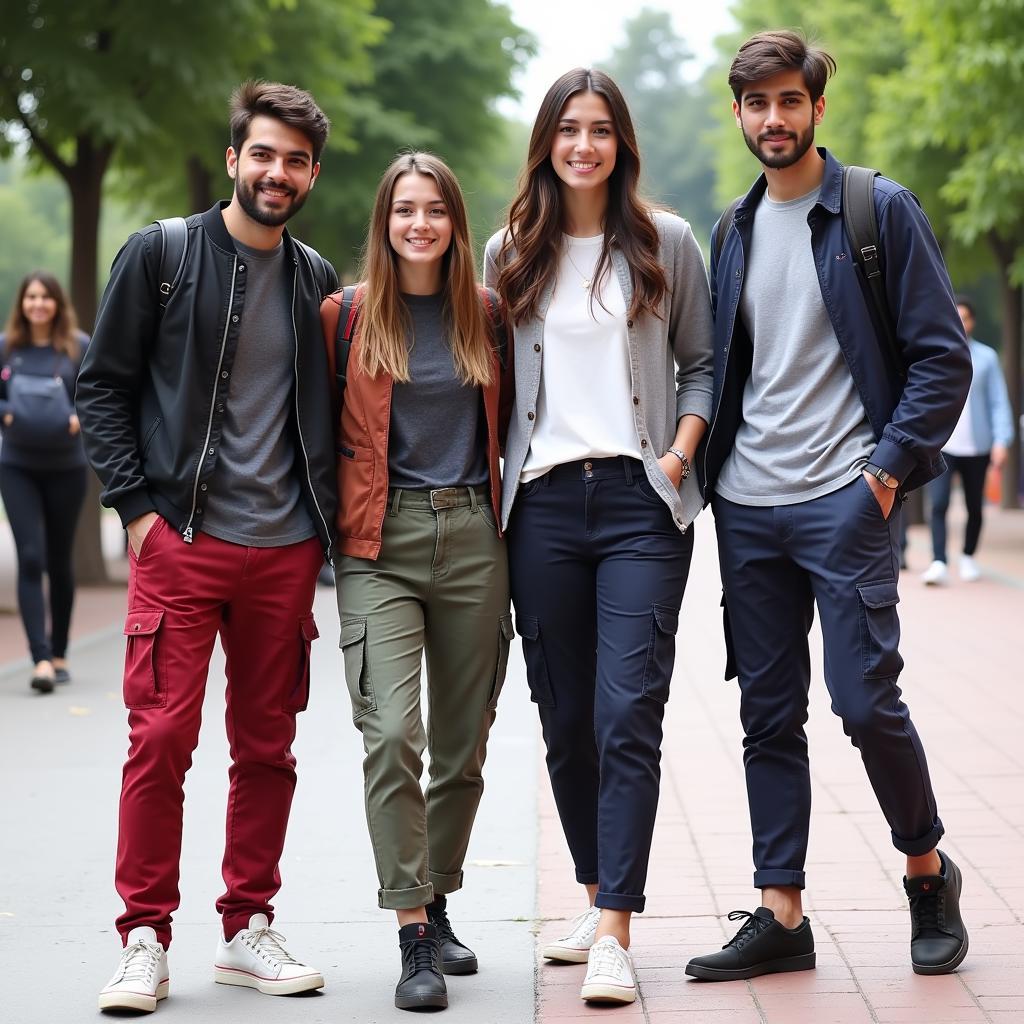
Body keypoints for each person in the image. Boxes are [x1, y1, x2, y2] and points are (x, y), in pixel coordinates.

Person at [690, 30, 973, 983]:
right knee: (766, 716)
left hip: (844, 501)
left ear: (816, 106)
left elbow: (942, 359)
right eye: (756, 104)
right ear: (737, 114)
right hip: (747, 507)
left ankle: (927, 874)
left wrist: (884, 476)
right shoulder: (731, 229)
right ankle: (782, 912)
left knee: (863, 701)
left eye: (788, 101)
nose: (773, 119)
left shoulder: (876, 211)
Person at [76, 81, 338, 1014]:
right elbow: (101, 385)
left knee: (267, 749)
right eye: (263, 154)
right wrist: (138, 513)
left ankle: (247, 929)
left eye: (297, 160)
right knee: (161, 742)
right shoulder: (163, 255)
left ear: (311, 173)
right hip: (182, 542)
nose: (278, 173)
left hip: (285, 551)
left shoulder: (316, 280)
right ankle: (144, 938)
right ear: (234, 159)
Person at [485, 69, 714, 1006]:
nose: (584, 145)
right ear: (546, 142)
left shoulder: (667, 241)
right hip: (539, 510)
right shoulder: (509, 252)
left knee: (628, 714)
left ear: (621, 142)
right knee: (566, 722)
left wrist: (675, 459)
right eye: (568, 130)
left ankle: (616, 926)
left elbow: (701, 366)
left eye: (601, 130)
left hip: (639, 507)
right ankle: (591, 894)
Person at [321, 152, 513, 1013]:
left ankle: (436, 900)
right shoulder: (346, 317)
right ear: (384, 221)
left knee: (463, 746)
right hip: (378, 541)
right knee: (393, 733)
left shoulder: (488, 314)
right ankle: (411, 938)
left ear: (455, 222)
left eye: (435, 209)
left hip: (476, 535)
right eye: (405, 210)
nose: (420, 224)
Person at [0, 272, 89, 693]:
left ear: (57, 303)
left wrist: (79, 417)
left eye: (45, 297)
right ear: (22, 303)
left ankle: (59, 651)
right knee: (31, 557)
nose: (38, 304)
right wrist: (6, 415)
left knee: (59, 558)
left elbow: (99, 393)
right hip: (16, 465)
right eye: (31, 296)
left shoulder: (78, 345)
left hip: (67, 467)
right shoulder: (6, 348)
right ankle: (39, 659)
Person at [922, 296, 1014, 585]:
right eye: (957, 316)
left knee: (975, 506)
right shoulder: (936, 353)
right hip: (943, 445)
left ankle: (968, 556)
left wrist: (1002, 440)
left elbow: (998, 402)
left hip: (978, 446)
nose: (962, 322)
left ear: (973, 321)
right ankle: (938, 561)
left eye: (967, 317)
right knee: (938, 504)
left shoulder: (987, 357)